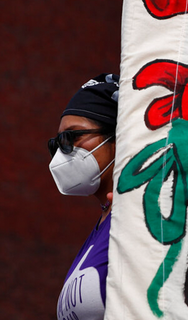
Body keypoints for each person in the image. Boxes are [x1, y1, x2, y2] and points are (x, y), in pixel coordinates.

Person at [48, 73, 119, 320]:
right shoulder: (102, 225)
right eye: (56, 144)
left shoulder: (147, 211)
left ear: (118, 138)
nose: (61, 153)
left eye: (72, 137)